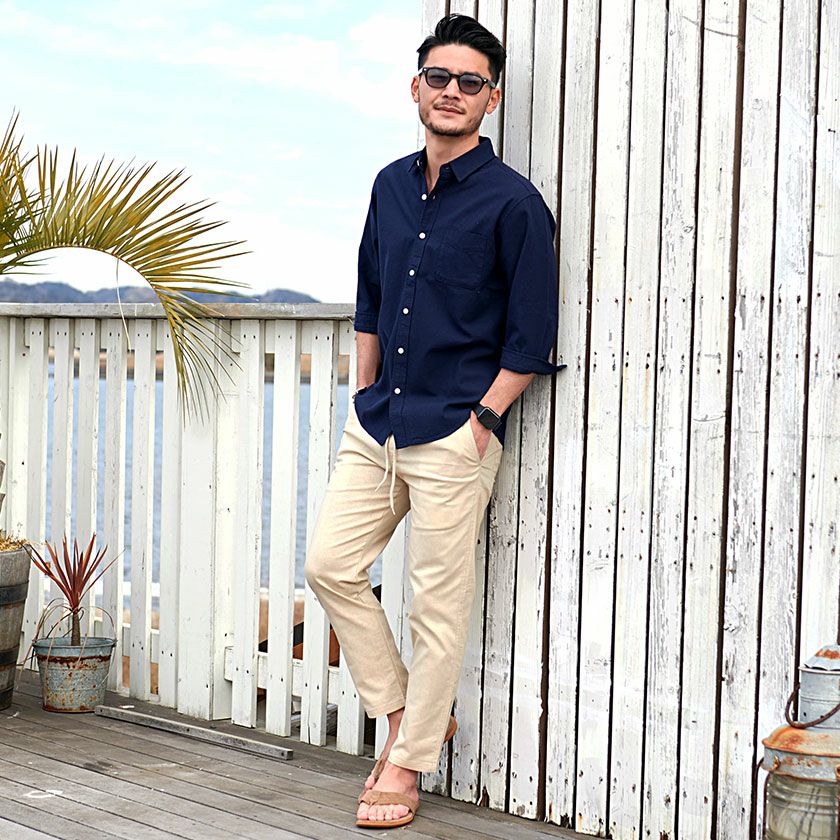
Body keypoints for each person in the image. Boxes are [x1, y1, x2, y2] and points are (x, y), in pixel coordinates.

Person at [303, 12, 566, 830]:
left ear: (491, 100)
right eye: (440, 77)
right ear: (416, 88)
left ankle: (407, 763)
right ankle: (404, 715)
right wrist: (364, 389)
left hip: (457, 430)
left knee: (435, 608)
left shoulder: (516, 205)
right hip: (379, 423)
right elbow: (371, 297)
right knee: (330, 565)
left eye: (470, 82)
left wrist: (483, 419)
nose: (452, 92)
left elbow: (531, 335)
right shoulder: (388, 186)